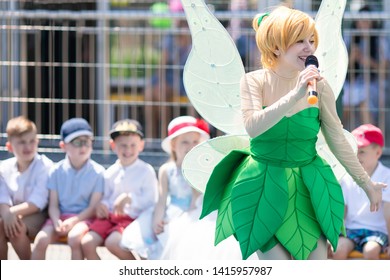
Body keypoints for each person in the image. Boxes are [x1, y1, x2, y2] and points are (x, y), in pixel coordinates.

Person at [197, 5, 386, 260]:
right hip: (263, 184)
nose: (309, 48)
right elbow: (253, 126)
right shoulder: (254, 81)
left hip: (309, 186)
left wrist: (367, 183)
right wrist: (294, 95)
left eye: (311, 40)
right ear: (275, 45)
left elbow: (337, 138)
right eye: (299, 41)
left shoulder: (321, 87)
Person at [120, 116, 210, 259]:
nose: (190, 146)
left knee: (179, 236)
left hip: (192, 212)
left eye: (195, 142)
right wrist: (158, 218)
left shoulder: (199, 169)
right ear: (173, 145)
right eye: (185, 142)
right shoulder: (166, 170)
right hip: (172, 209)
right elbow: (161, 200)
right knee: (149, 233)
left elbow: (195, 201)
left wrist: (193, 170)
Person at [81, 119, 158, 260]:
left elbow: (151, 201)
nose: (128, 150)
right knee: (87, 243)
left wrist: (130, 198)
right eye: (123, 145)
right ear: (113, 145)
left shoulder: (146, 171)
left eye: (133, 145)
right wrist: (102, 206)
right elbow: (107, 197)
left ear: (141, 145)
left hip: (134, 219)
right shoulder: (110, 172)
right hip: (111, 218)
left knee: (113, 243)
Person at [31, 118, 105, 260]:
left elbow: (92, 208)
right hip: (59, 219)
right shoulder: (55, 171)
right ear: (63, 146)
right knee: (41, 240)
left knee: (74, 238)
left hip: (85, 219)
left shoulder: (98, 172)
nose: (83, 146)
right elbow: (53, 205)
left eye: (87, 141)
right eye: (77, 142)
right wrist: (56, 220)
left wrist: (74, 221)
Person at [332, 124, 390, 259]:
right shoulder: (346, 176)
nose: (357, 156)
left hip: (377, 231)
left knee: (370, 251)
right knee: (338, 250)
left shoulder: (386, 176)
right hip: (351, 230)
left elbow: (388, 213)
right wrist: (333, 237)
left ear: (378, 153)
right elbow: (342, 211)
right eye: (354, 150)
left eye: (362, 151)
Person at [0, 116, 53, 260]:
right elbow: (2, 198)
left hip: (39, 213)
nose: (28, 147)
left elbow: (37, 202)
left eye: (31, 141)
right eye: (22, 142)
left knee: (16, 229)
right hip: (12, 213)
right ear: (10, 147)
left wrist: (10, 213)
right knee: (2, 225)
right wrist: (7, 214)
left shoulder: (45, 166)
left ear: (37, 141)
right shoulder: (4, 168)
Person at [342, 5, 387, 129]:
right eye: (361, 20)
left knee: (364, 102)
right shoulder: (348, 38)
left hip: (372, 84)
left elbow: (385, 71)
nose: (364, 24)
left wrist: (367, 61)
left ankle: (372, 142)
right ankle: (338, 140)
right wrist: (351, 59)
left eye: (368, 21)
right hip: (351, 84)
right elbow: (340, 69)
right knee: (344, 104)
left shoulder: (380, 40)